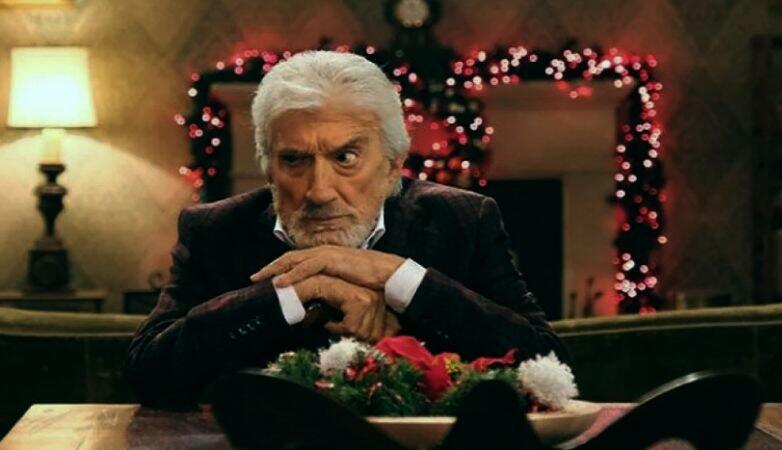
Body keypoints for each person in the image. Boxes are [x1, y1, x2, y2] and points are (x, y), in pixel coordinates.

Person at [124, 50, 568, 406]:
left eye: (346, 157)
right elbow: (148, 375)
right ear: (268, 168)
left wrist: (397, 276)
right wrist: (293, 293)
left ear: (392, 166)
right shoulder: (215, 230)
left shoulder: (463, 220)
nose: (319, 191)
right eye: (294, 160)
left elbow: (549, 364)